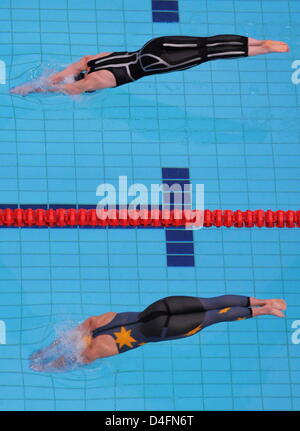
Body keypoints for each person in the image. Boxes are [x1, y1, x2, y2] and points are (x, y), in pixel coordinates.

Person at [29, 294, 286, 372]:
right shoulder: (94, 321)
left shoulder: (94, 350)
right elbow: (71, 337)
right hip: (157, 309)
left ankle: (265, 310)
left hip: (161, 328)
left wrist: (45, 363)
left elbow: (73, 359)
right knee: (211, 305)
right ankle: (265, 301)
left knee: (211, 318)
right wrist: (49, 353)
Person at [11, 35, 289, 96]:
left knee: (207, 54)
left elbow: (70, 88)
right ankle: (260, 42)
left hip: (156, 61)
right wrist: (52, 79)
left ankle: (262, 50)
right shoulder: (92, 60)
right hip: (153, 45)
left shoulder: (97, 82)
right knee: (206, 43)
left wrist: (33, 90)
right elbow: (69, 72)